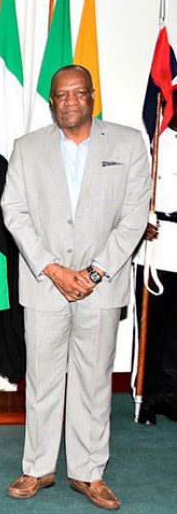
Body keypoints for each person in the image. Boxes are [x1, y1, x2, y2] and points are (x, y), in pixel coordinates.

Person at [2, 65, 151, 511]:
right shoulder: (27, 149)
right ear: (51, 101)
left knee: (92, 381)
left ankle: (89, 472)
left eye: (77, 93)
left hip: (100, 287)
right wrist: (52, 268)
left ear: (91, 96)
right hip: (45, 284)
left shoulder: (126, 144)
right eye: (60, 95)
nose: (69, 101)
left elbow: (134, 216)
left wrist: (95, 271)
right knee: (43, 379)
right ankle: (37, 467)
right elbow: (14, 211)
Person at [136, 91, 177, 425]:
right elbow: (130, 193)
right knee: (152, 327)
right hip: (154, 246)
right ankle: (146, 396)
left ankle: (171, 394)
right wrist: (139, 224)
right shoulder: (151, 145)